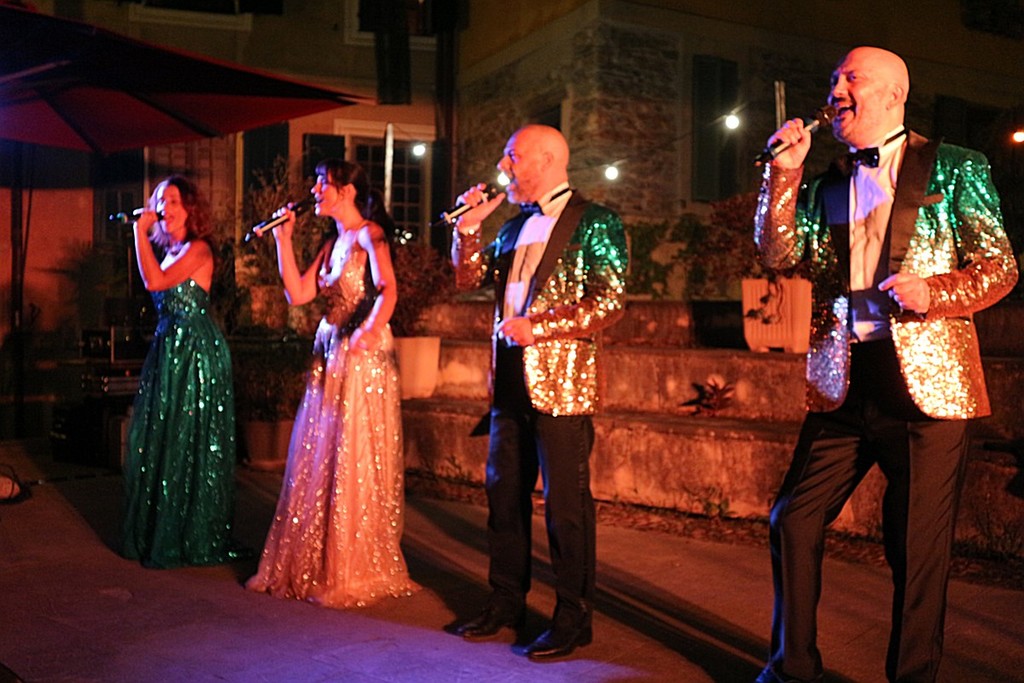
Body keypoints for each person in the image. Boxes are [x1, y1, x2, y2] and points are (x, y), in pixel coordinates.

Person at [753, 46, 1018, 683]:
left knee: (916, 550)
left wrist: (936, 293)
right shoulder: (824, 182)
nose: (837, 88)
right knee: (793, 519)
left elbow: (1001, 268)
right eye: (834, 79)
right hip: (844, 381)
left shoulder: (955, 166)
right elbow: (778, 256)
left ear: (895, 94)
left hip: (927, 389)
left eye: (853, 77)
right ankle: (793, 668)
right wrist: (782, 176)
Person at [444, 124, 629, 659]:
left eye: (513, 156)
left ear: (547, 159)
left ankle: (573, 617)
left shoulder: (596, 221)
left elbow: (609, 301)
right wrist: (469, 228)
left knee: (566, 508)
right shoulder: (510, 226)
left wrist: (540, 327)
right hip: (508, 379)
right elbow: (467, 279)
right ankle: (506, 602)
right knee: (504, 499)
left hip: (562, 384)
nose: (505, 165)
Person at [245, 159, 417, 608]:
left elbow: (388, 289)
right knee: (323, 452)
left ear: (348, 191)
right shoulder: (331, 243)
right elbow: (298, 294)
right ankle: (321, 560)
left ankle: (353, 564)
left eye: (324, 183)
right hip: (331, 349)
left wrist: (368, 331)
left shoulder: (368, 235)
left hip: (361, 352)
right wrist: (283, 239)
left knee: (352, 450)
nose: (316, 190)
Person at [122, 175, 239, 568]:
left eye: (173, 201)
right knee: (163, 437)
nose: (164, 208)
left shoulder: (198, 249)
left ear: (190, 209)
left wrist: (138, 233)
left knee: (188, 440)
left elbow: (155, 281)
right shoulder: (170, 251)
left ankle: (189, 532)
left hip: (195, 353)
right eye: (160, 201)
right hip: (169, 348)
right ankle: (158, 528)